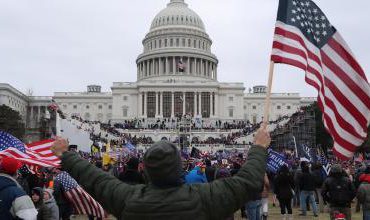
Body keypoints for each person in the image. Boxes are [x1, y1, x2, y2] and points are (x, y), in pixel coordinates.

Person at [51, 124, 270, 220]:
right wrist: (259, 147)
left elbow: (95, 179)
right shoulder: (204, 198)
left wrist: (67, 155)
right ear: (179, 168)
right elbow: (248, 181)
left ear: (145, 170)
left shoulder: (128, 200)